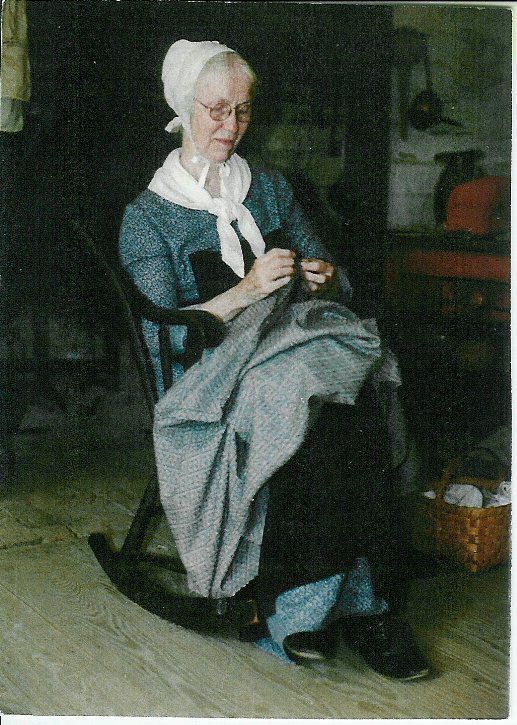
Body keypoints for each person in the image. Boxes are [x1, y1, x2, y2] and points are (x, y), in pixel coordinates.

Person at [119, 39, 431, 679]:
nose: (229, 126)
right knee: (310, 398)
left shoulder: (270, 189)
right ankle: (322, 608)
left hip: (291, 344)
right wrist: (245, 291)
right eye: (215, 110)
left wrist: (322, 276)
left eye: (242, 111)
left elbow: (331, 273)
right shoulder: (147, 218)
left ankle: (356, 602)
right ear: (183, 107)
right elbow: (166, 336)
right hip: (209, 376)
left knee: (354, 377)